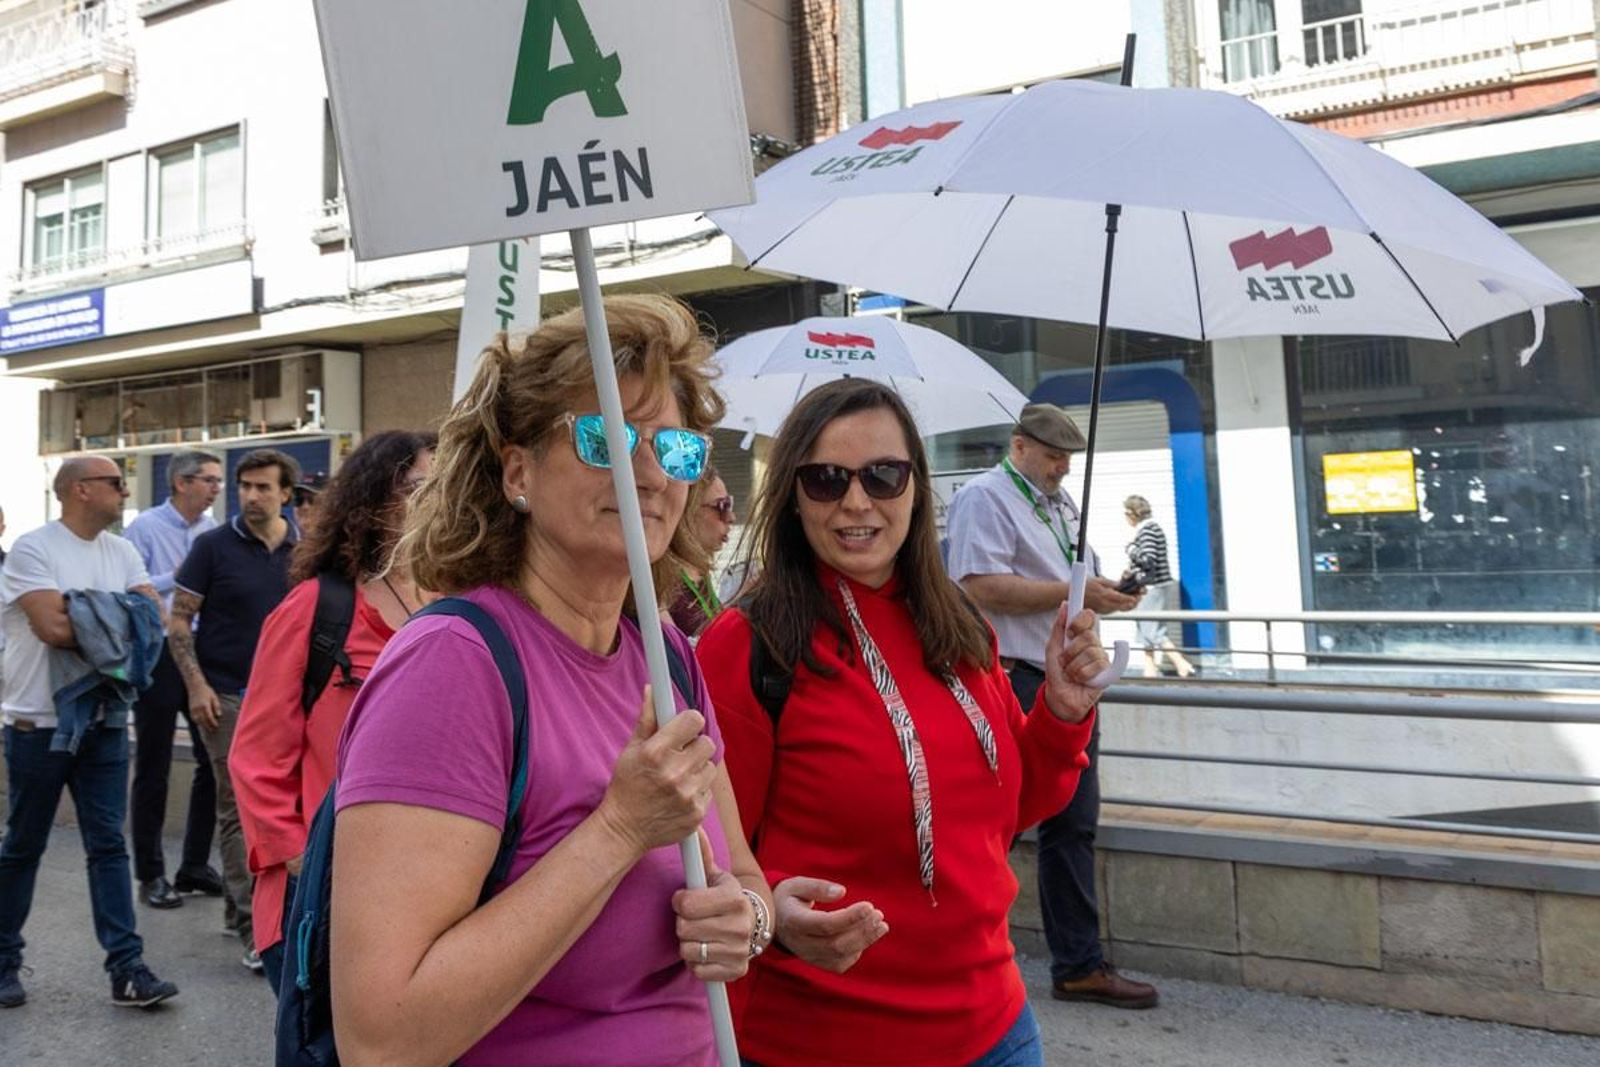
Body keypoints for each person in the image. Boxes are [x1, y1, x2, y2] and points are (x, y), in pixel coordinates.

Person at [328, 295, 770, 1065]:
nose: (649, 473)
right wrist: (619, 828)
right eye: (607, 438)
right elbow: (382, 1035)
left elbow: (740, 871)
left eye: (677, 450)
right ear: (517, 471)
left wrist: (748, 920)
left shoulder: (664, 652)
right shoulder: (452, 665)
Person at [696, 379, 1112, 1067]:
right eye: (827, 479)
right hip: (820, 1042)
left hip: (999, 1029)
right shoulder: (748, 642)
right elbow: (705, 858)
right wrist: (770, 912)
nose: (857, 501)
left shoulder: (958, 621)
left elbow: (1011, 806)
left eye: (883, 475)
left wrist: (1062, 715)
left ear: (917, 486)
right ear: (794, 494)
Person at [944, 403, 1159, 1010]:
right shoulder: (986, 497)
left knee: (1074, 821)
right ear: (1019, 445)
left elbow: (1067, 581)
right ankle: (976, 961)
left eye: (1068, 457)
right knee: (992, 825)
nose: (1063, 466)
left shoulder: (1060, 503)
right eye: (1053, 454)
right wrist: (1077, 590)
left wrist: (1105, 592)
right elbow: (978, 585)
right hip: (1013, 678)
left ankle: (1077, 963)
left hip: (1063, 679)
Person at [231, 430, 436, 994]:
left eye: (447, 486)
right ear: (375, 499)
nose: (438, 500)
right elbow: (256, 754)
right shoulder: (317, 609)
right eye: (421, 487)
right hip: (321, 890)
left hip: (426, 889)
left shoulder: (463, 604)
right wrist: (299, 860)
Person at [0, 457, 180, 1009]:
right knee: (23, 846)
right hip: (38, 725)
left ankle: (127, 969)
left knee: (108, 846)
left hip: (105, 720)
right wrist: (116, 617)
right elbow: (52, 629)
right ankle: (4, 961)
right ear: (81, 490)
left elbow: (153, 623)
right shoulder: (34, 548)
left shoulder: (121, 550)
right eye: (116, 483)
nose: (126, 491)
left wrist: (89, 612)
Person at [168, 448, 300, 972]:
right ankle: (255, 930)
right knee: (240, 810)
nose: (251, 496)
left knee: (280, 808)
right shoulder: (212, 547)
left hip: (285, 698)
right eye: (244, 486)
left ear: (286, 495)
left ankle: (236, 909)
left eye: (263, 487)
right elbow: (179, 625)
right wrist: (197, 687)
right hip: (224, 694)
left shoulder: (304, 551)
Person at [123, 450, 226, 909]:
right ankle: (150, 875)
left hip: (204, 653)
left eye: (219, 481)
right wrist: (179, 577)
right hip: (159, 652)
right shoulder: (144, 528)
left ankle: (193, 865)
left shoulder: (212, 532)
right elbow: (128, 588)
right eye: (209, 480)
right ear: (182, 483)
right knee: (155, 762)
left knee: (212, 759)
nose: (216, 489)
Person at [1122, 495, 1196, 679]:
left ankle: (1181, 664)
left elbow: (1148, 559)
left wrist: (1130, 549)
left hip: (1151, 588)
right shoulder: (1152, 528)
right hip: (1153, 586)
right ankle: (1150, 670)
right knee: (1145, 627)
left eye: (1126, 513)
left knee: (1153, 629)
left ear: (1132, 514)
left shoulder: (1148, 530)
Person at [667, 465, 734, 637]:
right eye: (722, 506)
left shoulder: (701, 574)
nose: (731, 518)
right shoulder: (660, 582)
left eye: (730, 504)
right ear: (686, 510)